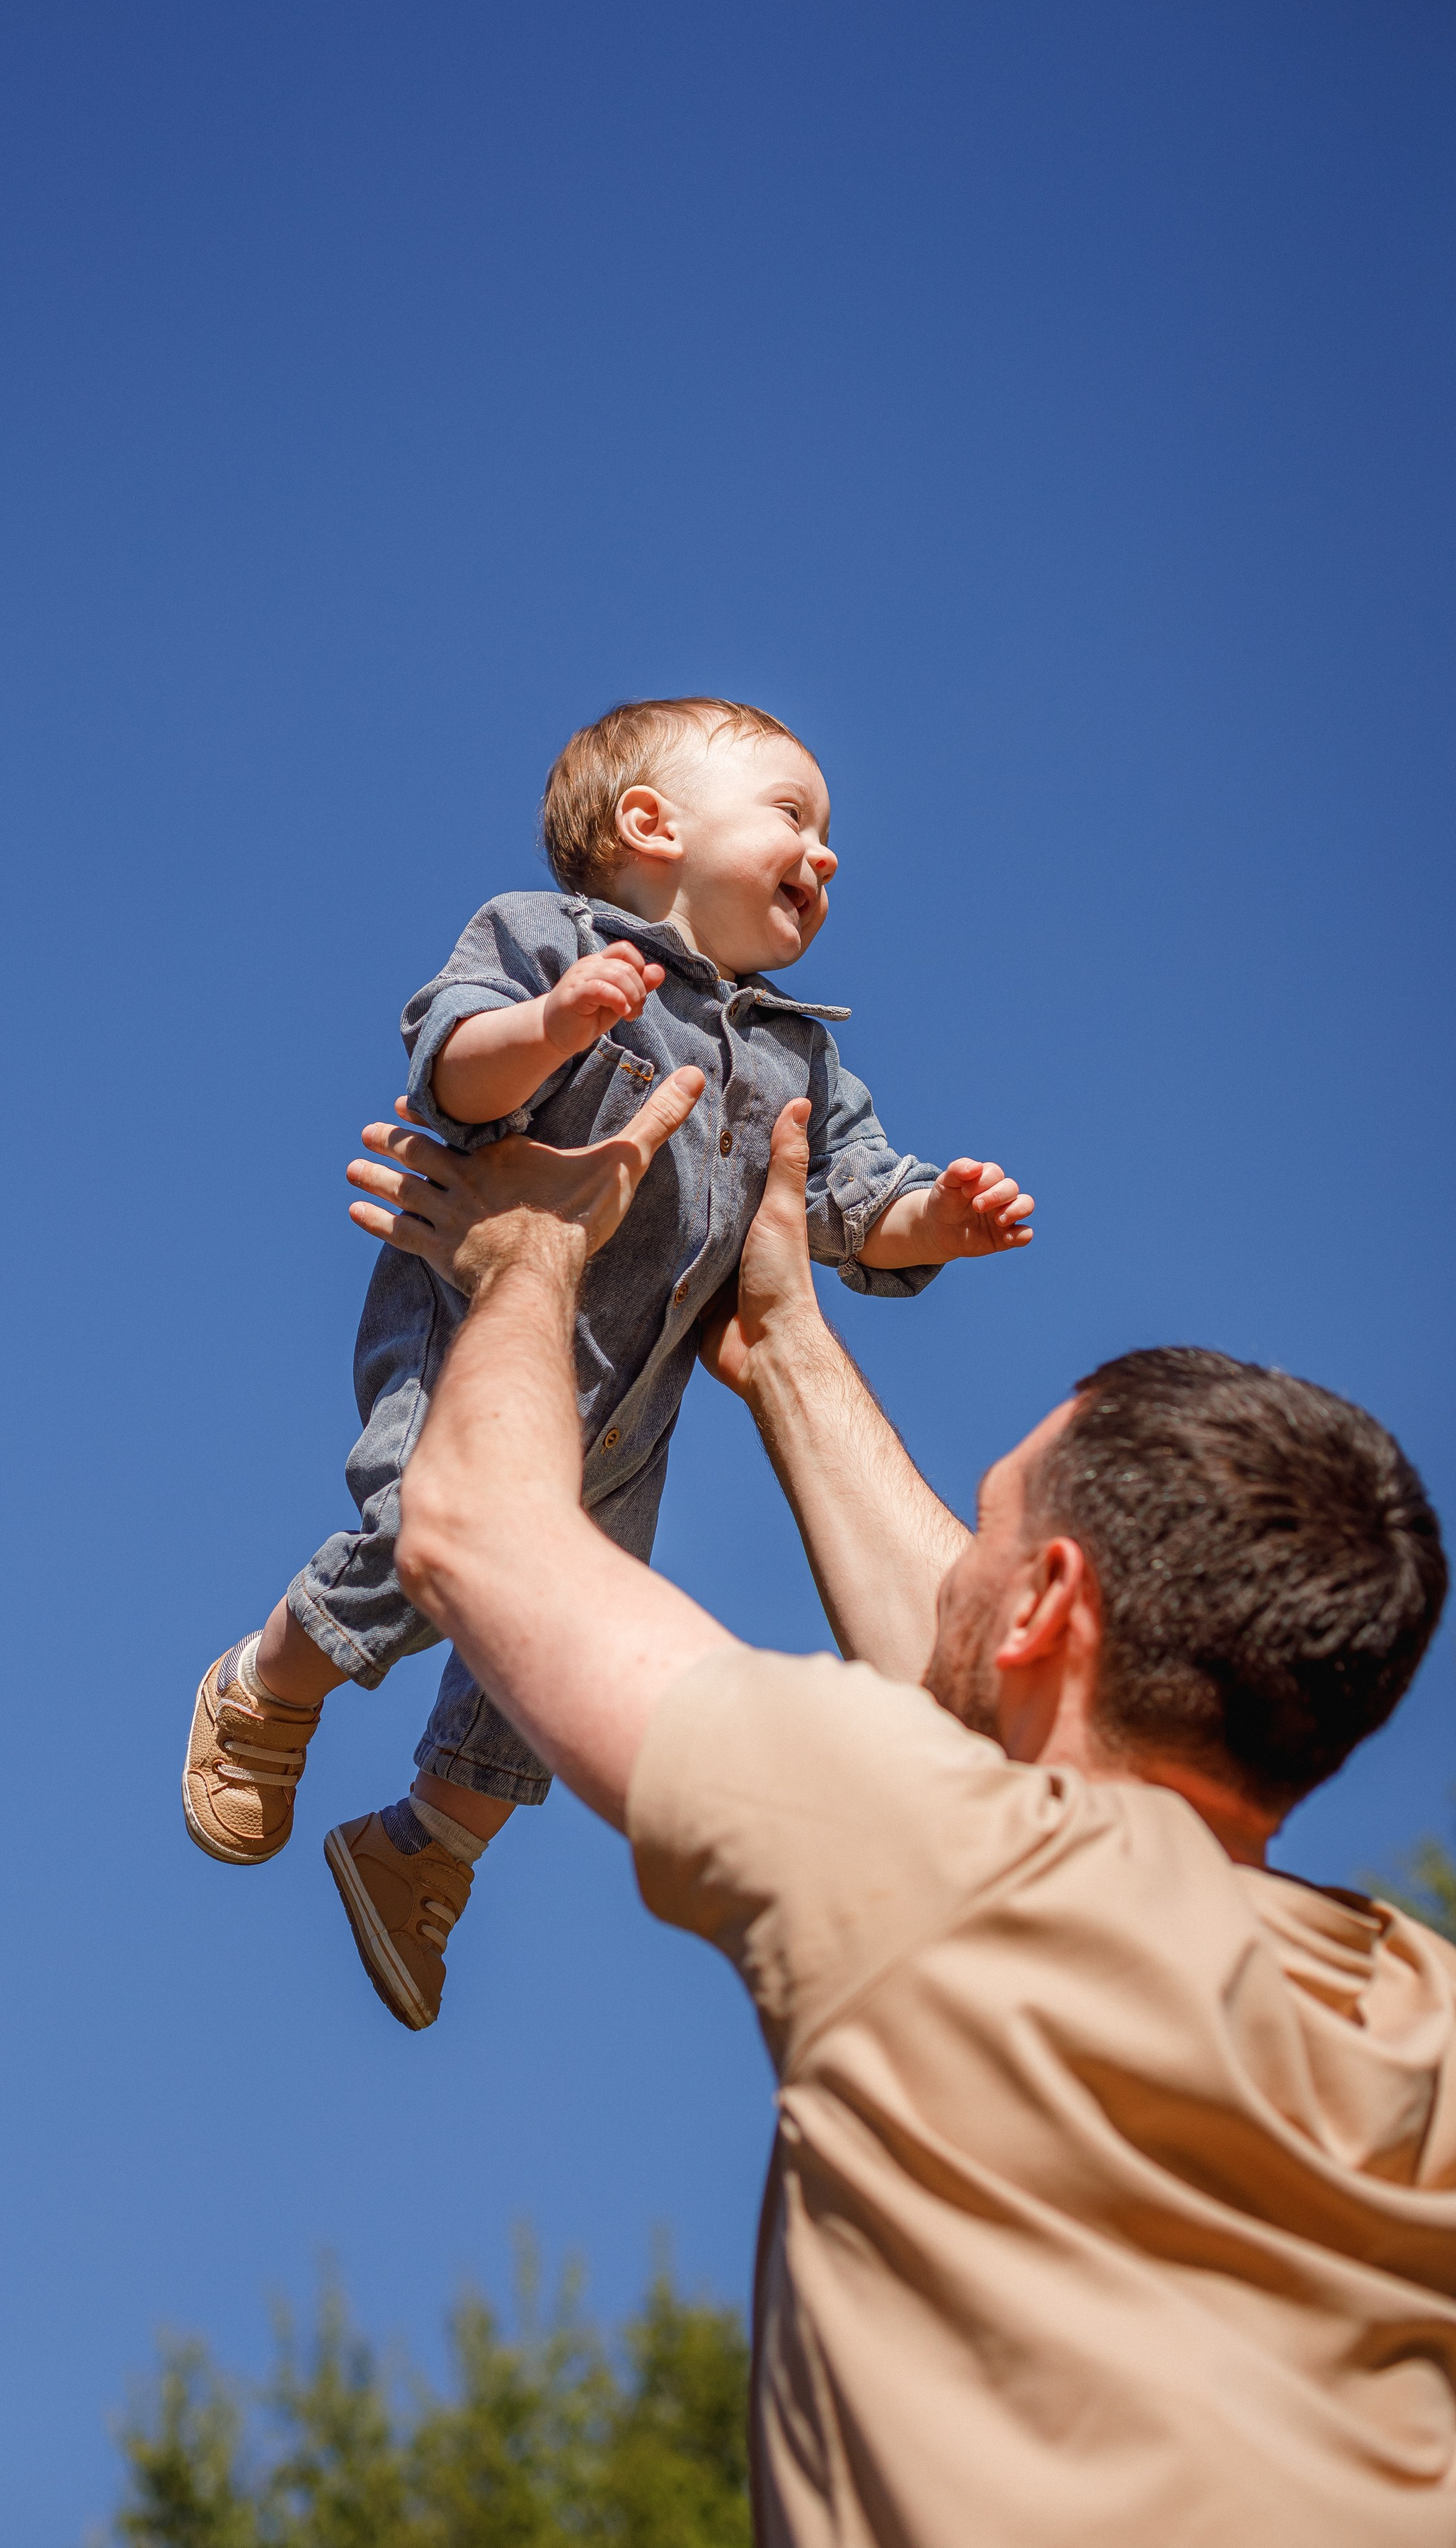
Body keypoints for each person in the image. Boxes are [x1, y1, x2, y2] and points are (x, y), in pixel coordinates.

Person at [348, 1077, 1455, 2548]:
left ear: (1048, 1603)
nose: (953, 1572)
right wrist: (783, 1347)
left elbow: (477, 1534)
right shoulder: (1422, 2013)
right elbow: (1011, 1704)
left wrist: (530, 1257)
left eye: (984, 1529)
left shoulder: (953, 1873)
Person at [182, 696, 1033, 2029]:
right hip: (477, 1335)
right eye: (794, 816)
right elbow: (453, 1069)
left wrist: (935, 1218)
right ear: (651, 825)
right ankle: (268, 1687)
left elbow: (846, 1196)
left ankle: (426, 1848)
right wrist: (556, 1027)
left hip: (631, 1409)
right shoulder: (550, 940)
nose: (825, 855)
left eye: (831, 838)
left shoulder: (800, 1050)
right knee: (428, 1536)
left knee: (560, 1619)